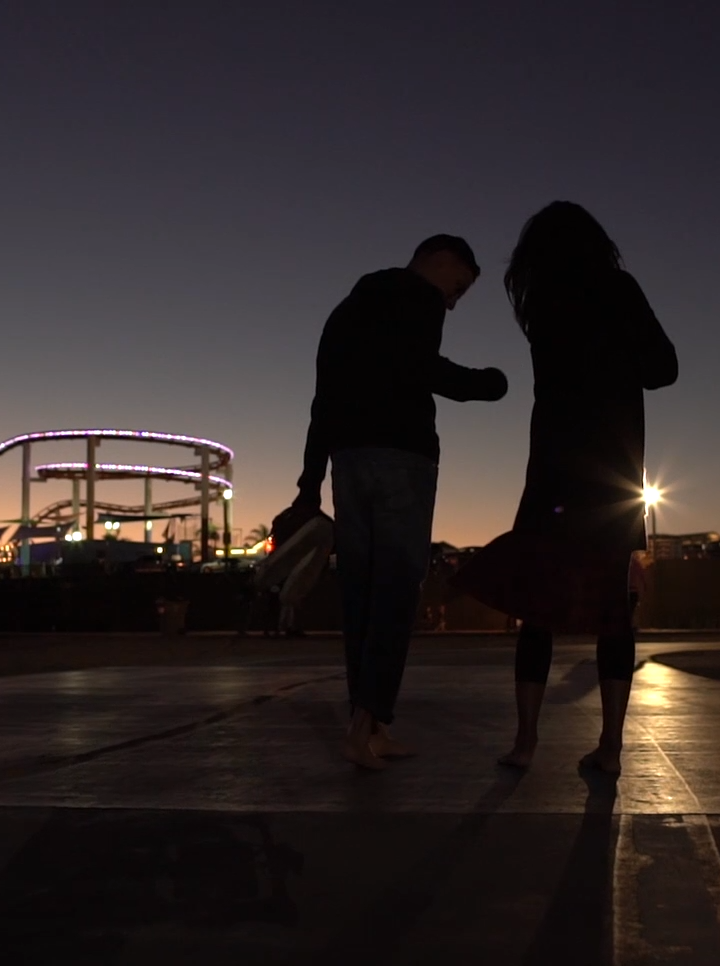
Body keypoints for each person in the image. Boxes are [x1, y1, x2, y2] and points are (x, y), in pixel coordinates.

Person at [455, 202, 678, 777]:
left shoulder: (543, 306)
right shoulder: (618, 290)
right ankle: (610, 747)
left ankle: (525, 742)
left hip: (552, 474)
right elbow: (664, 368)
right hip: (611, 477)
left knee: (537, 610)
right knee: (612, 612)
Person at [288, 235, 509, 770]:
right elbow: (420, 367)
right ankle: (363, 727)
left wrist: (309, 484)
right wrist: (488, 384)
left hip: (348, 462)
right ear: (439, 260)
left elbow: (322, 401)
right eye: (457, 288)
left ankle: (371, 726)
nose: (452, 303)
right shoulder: (419, 296)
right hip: (402, 459)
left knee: (361, 596)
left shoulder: (345, 312)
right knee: (395, 591)